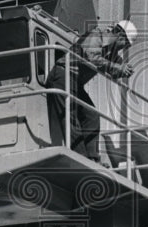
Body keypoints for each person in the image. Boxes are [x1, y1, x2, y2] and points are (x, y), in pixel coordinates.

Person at [45, 19, 137, 162]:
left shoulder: (109, 50)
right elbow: (92, 57)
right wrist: (118, 67)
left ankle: (93, 158)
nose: (123, 49)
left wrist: (124, 70)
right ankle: (80, 157)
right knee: (70, 116)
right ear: (119, 35)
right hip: (62, 75)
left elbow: (113, 68)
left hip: (74, 81)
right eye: (125, 44)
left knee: (92, 116)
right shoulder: (96, 35)